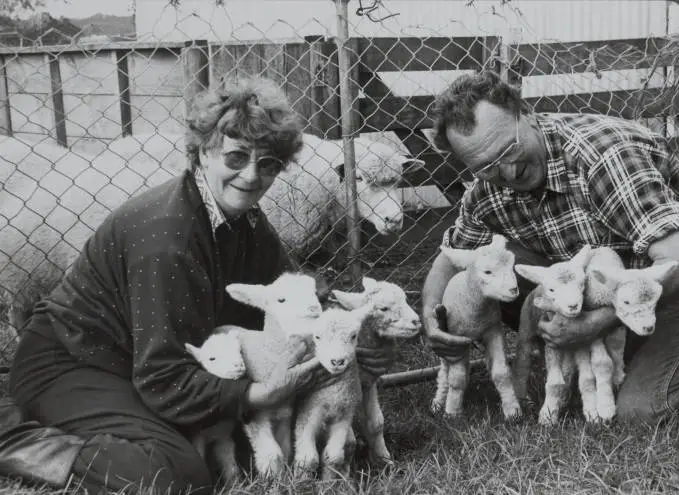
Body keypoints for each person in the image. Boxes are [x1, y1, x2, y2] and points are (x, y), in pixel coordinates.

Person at [0, 76, 394, 494]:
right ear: (203, 152)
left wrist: (356, 334)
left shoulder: (246, 220)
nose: (252, 176)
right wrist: (256, 394)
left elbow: (296, 296)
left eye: (269, 164)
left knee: (251, 452)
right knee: (176, 474)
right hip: (73, 363)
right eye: (237, 157)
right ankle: (18, 441)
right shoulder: (168, 238)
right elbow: (161, 375)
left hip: (139, 363)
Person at [422, 70, 679, 420]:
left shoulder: (603, 156)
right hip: (619, 282)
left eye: (510, 149)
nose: (508, 170)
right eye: (486, 166)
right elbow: (451, 259)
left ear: (527, 115)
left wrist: (597, 323)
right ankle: (640, 348)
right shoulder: (485, 191)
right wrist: (432, 315)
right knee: (497, 267)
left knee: (644, 408)